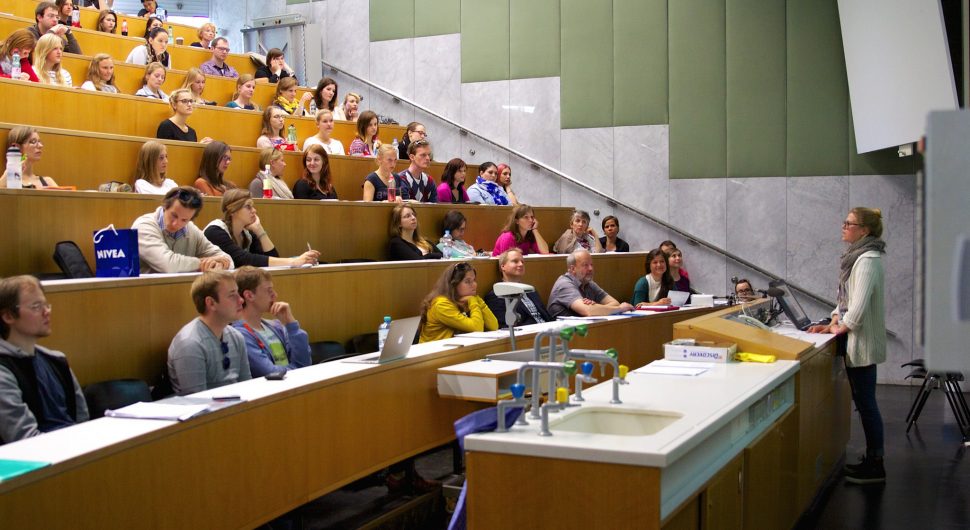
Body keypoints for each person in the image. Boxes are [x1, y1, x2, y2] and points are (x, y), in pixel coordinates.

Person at [808, 207, 887, 484]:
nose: (843, 226)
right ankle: (872, 459)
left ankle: (876, 464)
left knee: (866, 404)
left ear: (864, 230)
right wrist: (833, 319)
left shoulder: (867, 259)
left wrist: (839, 326)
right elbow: (845, 300)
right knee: (864, 403)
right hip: (854, 337)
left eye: (849, 223)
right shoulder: (856, 256)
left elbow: (859, 307)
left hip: (862, 343)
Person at [0, 275, 88, 444]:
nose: (46, 312)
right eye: (36, 306)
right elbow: (24, 440)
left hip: (74, 451)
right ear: (8, 316)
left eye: (46, 305)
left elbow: (82, 421)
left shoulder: (56, 360)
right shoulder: (3, 370)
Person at [168, 271, 251, 395]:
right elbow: (196, 401)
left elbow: (247, 387)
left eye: (238, 293)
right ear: (211, 303)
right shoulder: (190, 343)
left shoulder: (236, 336)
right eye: (232, 295)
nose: (241, 300)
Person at [204, 190, 319, 268]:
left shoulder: (247, 234)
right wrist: (293, 262)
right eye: (248, 206)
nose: (254, 210)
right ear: (233, 210)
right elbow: (243, 260)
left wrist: (259, 230)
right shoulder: (215, 231)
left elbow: (273, 259)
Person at [232, 266, 312, 378]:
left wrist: (291, 324)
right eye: (269, 291)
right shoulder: (239, 335)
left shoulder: (276, 326)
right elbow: (270, 373)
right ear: (249, 295)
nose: (275, 295)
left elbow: (305, 363)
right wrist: (298, 370)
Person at [131, 186, 233, 273]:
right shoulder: (144, 226)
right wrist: (203, 263)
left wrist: (220, 264)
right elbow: (168, 264)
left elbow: (228, 260)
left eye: (184, 220)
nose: (176, 224)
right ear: (165, 206)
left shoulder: (191, 229)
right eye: (173, 215)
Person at [418, 262, 498, 343]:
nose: (474, 285)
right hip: (432, 352)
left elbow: (494, 326)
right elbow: (477, 328)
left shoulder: (465, 299)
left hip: (451, 350)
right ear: (454, 284)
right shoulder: (441, 304)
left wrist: (478, 300)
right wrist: (473, 301)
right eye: (467, 281)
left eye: (474, 280)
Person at [547, 249, 634, 318]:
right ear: (572, 269)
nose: (591, 269)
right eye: (585, 265)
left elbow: (614, 303)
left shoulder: (588, 283)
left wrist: (596, 306)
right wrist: (620, 309)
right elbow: (588, 311)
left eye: (591, 265)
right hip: (562, 335)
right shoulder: (564, 284)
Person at [483, 248, 552, 328]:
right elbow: (506, 326)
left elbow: (546, 316)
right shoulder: (497, 295)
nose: (521, 264)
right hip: (528, 336)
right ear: (503, 266)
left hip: (548, 331)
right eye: (515, 261)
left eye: (522, 262)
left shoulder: (531, 290)